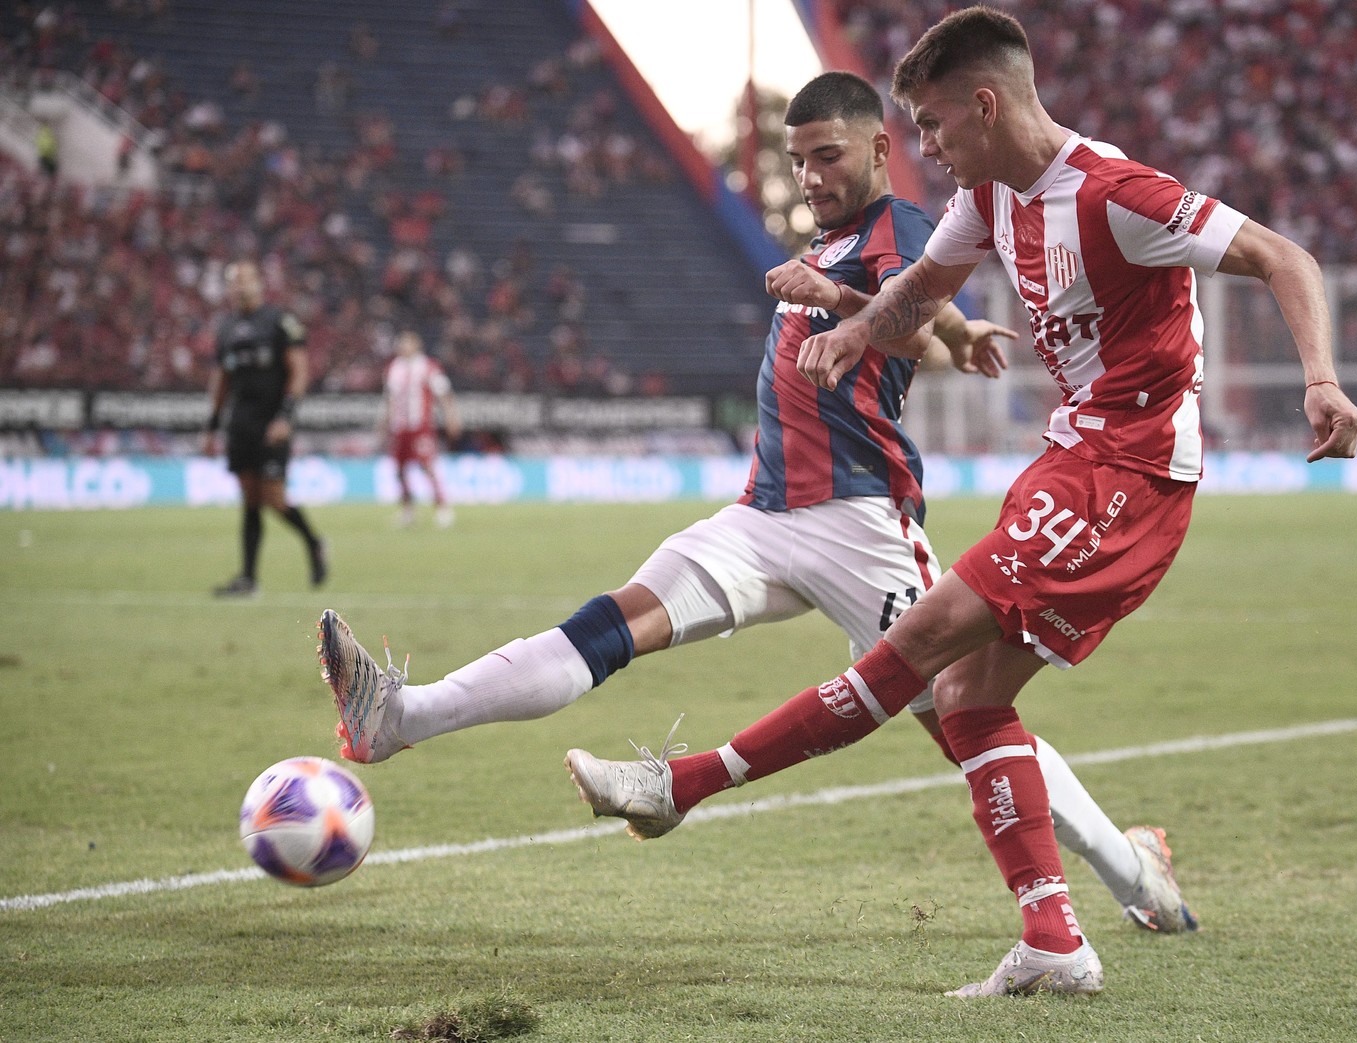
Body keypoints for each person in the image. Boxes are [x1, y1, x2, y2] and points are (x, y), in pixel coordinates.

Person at [563, 9, 1357, 999]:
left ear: (984, 104)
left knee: (919, 649)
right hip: (1071, 460)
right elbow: (918, 290)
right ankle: (1055, 941)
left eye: (933, 126)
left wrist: (1319, 378)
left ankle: (677, 785)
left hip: (1129, 475)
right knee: (966, 696)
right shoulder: (990, 196)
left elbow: (1287, 257)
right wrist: (856, 330)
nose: (924, 148)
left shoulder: (1116, 196)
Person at [318, 71, 1196, 936]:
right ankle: (401, 715)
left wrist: (875, 312)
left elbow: (911, 322)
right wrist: (962, 335)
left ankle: (1132, 873)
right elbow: (935, 319)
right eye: (798, 159)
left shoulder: (903, 223)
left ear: (880, 149)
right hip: (763, 511)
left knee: (966, 721)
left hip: (860, 522)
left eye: (829, 157)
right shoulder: (833, 236)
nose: (811, 177)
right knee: (612, 622)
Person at [204, 260, 329, 597]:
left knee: (273, 497)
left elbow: (299, 372)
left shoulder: (279, 322)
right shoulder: (226, 327)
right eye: (234, 280)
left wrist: (286, 417)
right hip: (240, 424)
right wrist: (212, 426)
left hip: (272, 422)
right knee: (249, 499)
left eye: (246, 278)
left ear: (259, 283)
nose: (240, 285)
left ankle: (314, 542)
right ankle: (248, 578)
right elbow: (223, 380)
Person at [382, 330, 462, 528]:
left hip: (421, 427)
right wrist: (384, 422)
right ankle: (408, 510)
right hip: (400, 428)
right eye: (401, 342)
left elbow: (444, 394)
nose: (402, 346)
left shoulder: (428, 366)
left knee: (427, 467)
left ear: (416, 345)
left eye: (406, 342)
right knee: (399, 470)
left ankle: (443, 507)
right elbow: (390, 399)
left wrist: (451, 418)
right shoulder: (394, 368)